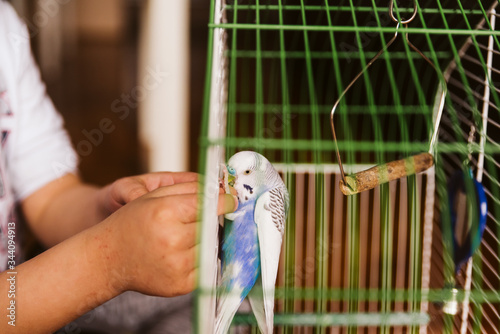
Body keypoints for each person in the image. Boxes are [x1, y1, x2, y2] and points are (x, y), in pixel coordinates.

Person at [0, 2, 237, 333]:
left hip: (27, 284)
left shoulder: (4, 27)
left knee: (219, 285)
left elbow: (50, 195)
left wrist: (108, 209)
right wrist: (107, 263)